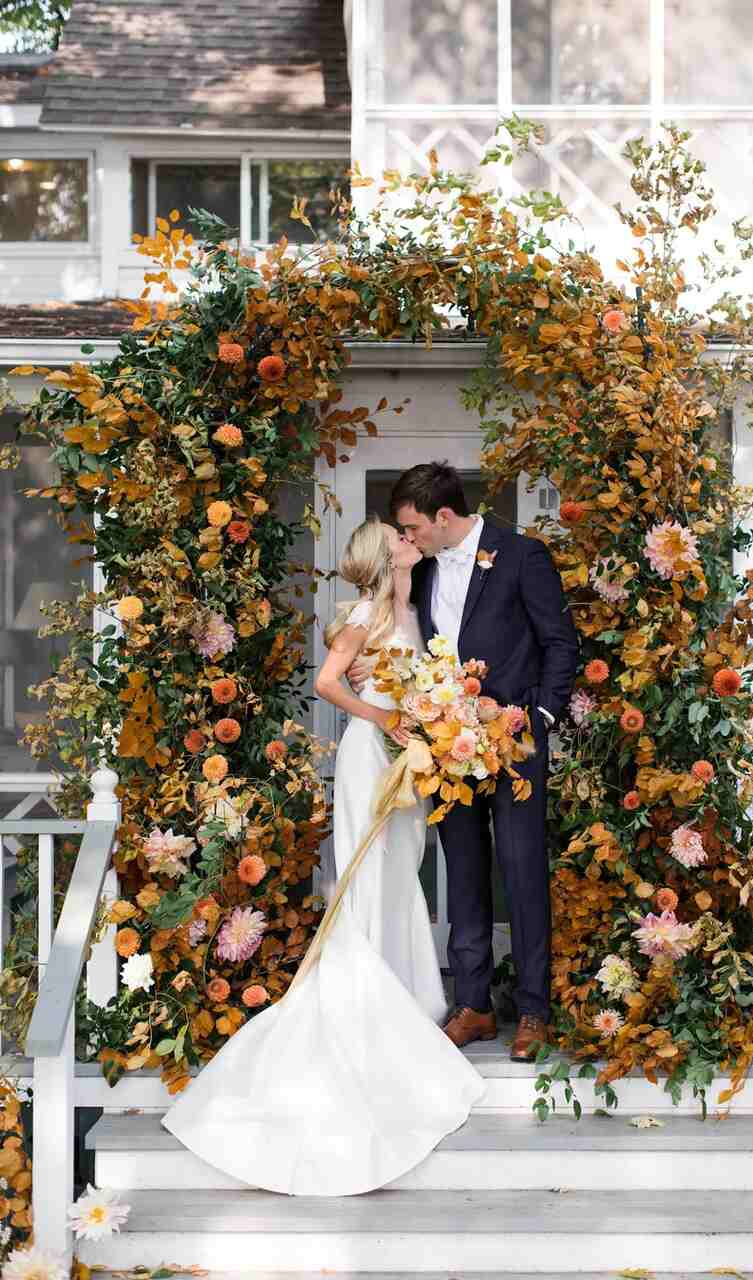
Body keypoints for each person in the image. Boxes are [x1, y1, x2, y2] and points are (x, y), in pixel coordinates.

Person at [161, 516, 485, 1196]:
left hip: (408, 758)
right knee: (367, 877)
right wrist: (386, 720)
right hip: (372, 758)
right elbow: (328, 685)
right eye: (400, 536)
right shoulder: (364, 615)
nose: (409, 539)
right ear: (382, 554)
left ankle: (404, 989)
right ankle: (366, 997)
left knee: (402, 874)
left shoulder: (413, 609)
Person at [350, 462, 579, 1062]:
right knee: (464, 873)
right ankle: (473, 1005)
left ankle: (533, 1011)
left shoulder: (521, 556)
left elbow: (559, 642)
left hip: (515, 739)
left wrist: (541, 718)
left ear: (442, 517)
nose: (407, 539)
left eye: (411, 528)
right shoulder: (421, 573)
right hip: (444, 744)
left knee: (523, 871)